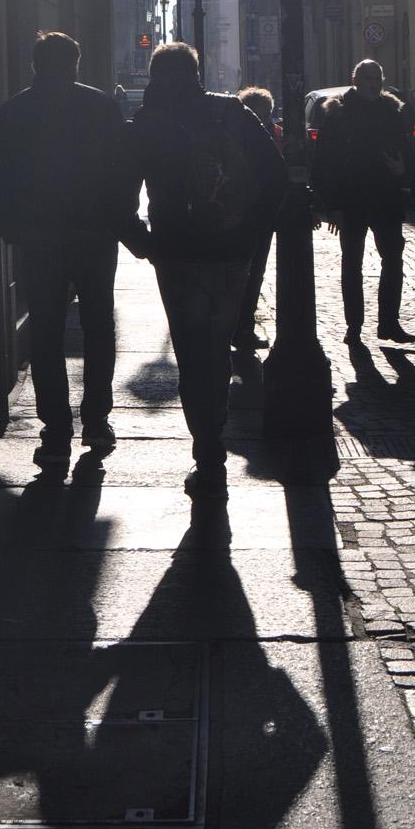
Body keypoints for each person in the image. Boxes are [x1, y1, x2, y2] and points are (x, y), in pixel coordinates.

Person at [124, 44, 286, 493]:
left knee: (192, 354)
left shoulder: (147, 122)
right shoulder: (232, 111)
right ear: (197, 72)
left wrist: (144, 244)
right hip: (230, 250)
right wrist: (249, 231)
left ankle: (208, 451)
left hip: (176, 252)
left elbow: (118, 194)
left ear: (155, 76)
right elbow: (275, 176)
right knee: (217, 348)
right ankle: (213, 437)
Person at [0, 31, 145, 471]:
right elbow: (124, 170)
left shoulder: (15, 110)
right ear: (75, 63)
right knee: (99, 327)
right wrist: (123, 220)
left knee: (46, 332)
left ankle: (56, 432)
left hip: (41, 237)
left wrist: (11, 229)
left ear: (35, 65)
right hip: (94, 235)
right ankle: (96, 421)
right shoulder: (100, 106)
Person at [310, 58, 415, 346]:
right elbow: (324, 163)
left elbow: (407, 151)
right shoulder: (338, 113)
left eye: (378, 79)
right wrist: (331, 205)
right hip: (352, 200)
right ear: (356, 80)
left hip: (386, 198)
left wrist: (402, 169)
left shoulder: (391, 111)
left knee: (393, 260)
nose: (374, 85)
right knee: (352, 264)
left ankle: (389, 323)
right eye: (369, 79)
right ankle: (354, 325)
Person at [231, 86, 281, 355]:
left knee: (255, 272)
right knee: (243, 273)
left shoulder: (276, 134)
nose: (262, 121)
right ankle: (239, 327)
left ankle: (243, 326)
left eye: (266, 116)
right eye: (258, 116)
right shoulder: (237, 136)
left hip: (264, 213)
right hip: (244, 212)